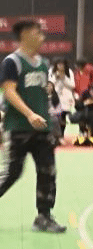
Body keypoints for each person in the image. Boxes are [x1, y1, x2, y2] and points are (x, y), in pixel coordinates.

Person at [0, 19, 66, 232]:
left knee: (48, 171)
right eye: (38, 33)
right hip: (18, 128)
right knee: (12, 173)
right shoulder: (12, 62)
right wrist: (29, 114)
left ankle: (44, 216)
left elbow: (41, 91)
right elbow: (9, 91)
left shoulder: (44, 63)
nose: (42, 37)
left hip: (41, 129)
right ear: (25, 35)